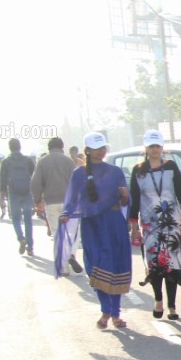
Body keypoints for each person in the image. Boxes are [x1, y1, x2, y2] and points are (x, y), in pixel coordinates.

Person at [59, 132, 132, 328]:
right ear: (88, 150)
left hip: (114, 224)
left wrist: (125, 196)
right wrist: (65, 214)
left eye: (103, 148)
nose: (101, 151)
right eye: (96, 148)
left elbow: (126, 200)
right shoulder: (78, 174)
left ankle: (115, 314)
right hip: (92, 226)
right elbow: (72, 200)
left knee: (116, 267)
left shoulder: (115, 171)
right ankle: (105, 309)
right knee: (96, 268)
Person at [129, 130, 181, 320]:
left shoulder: (171, 166)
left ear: (162, 147)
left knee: (172, 263)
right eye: (151, 146)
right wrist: (133, 226)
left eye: (157, 146)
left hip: (172, 222)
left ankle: (172, 305)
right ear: (146, 148)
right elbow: (134, 199)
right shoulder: (138, 170)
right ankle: (158, 299)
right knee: (155, 264)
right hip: (150, 225)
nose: (155, 149)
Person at [32, 137, 82, 274]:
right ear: (62, 147)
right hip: (69, 203)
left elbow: (35, 183)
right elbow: (77, 181)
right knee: (72, 232)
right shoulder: (68, 161)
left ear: (49, 148)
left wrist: (38, 200)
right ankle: (71, 253)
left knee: (57, 234)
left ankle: (64, 267)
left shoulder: (42, 162)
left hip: (51, 203)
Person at [0, 138, 37, 256]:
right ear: (20, 147)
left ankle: (21, 239)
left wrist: (2, 198)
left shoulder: (6, 162)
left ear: (9, 148)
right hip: (27, 192)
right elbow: (35, 177)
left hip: (13, 192)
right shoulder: (27, 160)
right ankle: (30, 248)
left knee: (15, 219)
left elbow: (2, 181)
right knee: (28, 220)